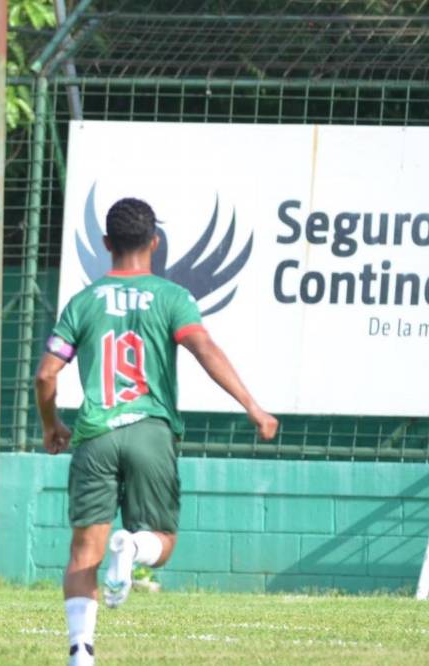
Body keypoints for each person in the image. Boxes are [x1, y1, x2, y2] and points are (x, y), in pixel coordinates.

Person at [34, 197, 279, 666]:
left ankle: (81, 653)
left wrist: (52, 426)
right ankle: (134, 546)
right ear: (155, 242)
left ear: (106, 244)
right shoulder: (172, 297)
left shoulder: (84, 301)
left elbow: (46, 374)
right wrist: (253, 407)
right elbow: (203, 347)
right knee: (161, 543)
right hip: (151, 432)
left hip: (96, 435)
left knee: (85, 549)